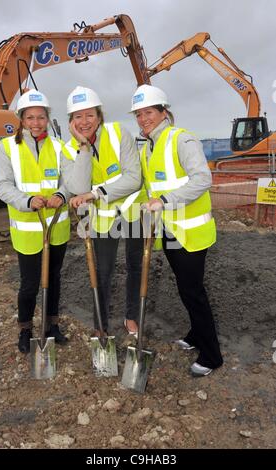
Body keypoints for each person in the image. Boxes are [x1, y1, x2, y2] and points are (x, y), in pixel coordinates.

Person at [130, 84, 223, 377]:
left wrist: (165, 201)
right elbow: (151, 190)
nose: (143, 118)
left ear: (163, 112)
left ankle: (211, 355)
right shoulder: (149, 147)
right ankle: (196, 334)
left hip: (191, 234)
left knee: (194, 292)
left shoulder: (182, 139)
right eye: (138, 114)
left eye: (148, 112)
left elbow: (202, 179)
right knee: (185, 289)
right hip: (169, 233)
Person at [61, 86, 147, 337]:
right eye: (78, 116)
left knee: (135, 266)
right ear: (71, 122)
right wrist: (84, 148)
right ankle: (101, 324)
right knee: (102, 271)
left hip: (133, 212)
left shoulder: (119, 133)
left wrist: (94, 193)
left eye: (89, 115)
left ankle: (131, 315)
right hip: (102, 219)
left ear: (99, 116)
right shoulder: (68, 150)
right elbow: (77, 188)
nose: (84, 121)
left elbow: (134, 179)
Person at [0, 89, 70, 353]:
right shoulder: (7, 147)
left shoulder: (59, 146)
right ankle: (25, 329)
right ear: (22, 120)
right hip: (27, 232)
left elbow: (68, 181)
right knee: (29, 284)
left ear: (47, 118)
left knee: (55, 278)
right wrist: (26, 201)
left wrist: (61, 194)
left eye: (41, 117)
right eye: (30, 118)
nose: (36, 123)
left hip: (57, 228)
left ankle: (52, 325)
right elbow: (3, 185)